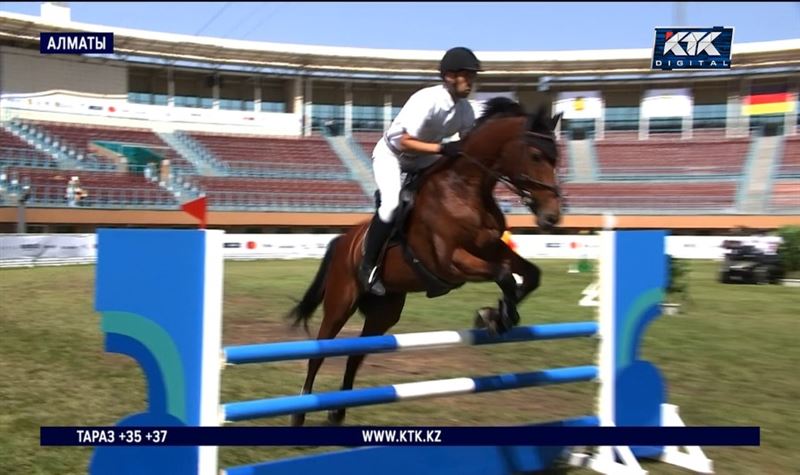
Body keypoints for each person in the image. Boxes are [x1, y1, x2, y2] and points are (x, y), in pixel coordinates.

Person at [358, 46, 482, 296]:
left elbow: (468, 145)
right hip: (393, 156)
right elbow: (403, 141)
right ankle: (368, 266)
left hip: (424, 160)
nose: (471, 81)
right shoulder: (428, 100)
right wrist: (443, 148)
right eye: (466, 75)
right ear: (448, 76)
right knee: (392, 205)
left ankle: (433, 266)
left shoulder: (465, 110)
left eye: (473, 76)